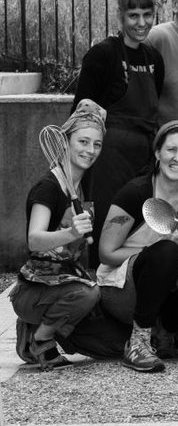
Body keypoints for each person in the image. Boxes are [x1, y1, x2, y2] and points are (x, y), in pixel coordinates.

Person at [97, 121, 178, 372]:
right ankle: (138, 342)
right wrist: (162, 248)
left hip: (164, 286)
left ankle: (164, 332)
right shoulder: (135, 193)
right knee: (166, 251)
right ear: (158, 153)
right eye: (171, 149)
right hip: (122, 288)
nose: (177, 158)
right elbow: (106, 253)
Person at [13, 101, 108, 369]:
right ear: (65, 142)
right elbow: (35, 239)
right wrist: (70, 232)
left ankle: (36, 327)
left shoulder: (78, 184)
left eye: (97, 144)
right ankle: (39, 339)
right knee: (88, 295)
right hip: (34, 290)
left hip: (63, 282)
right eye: (83, 142)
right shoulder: (48, 187)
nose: (90, 150)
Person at [75, 0, 164, 247]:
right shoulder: (103, 54)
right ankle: (97, 269)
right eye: (133, 15)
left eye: (147, 15)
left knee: (136, 223)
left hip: (144, 156)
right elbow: (81, 110)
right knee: (105, 221)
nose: (141, 23)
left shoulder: (154, 58)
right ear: (120, 17)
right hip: (107, 157)